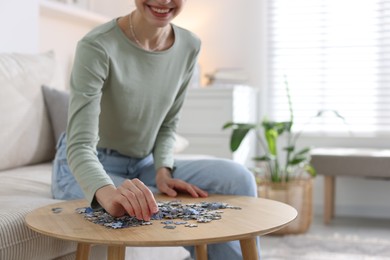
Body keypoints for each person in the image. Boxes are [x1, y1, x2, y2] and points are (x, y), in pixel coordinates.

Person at [51, 0, 259, 259]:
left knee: (238, 178)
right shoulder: (97, 45)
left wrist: (163, 170)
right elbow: (80, 146)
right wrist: (108, 194)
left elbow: (169, 122)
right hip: (86, 163)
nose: (163, 1)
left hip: (144, 163)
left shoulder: (189, 45)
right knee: (132, 207)